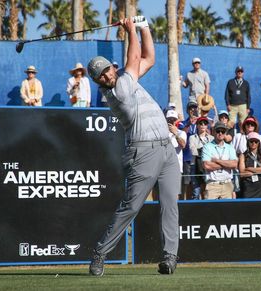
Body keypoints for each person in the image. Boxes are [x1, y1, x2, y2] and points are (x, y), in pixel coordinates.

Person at [86, 17, 179, 276]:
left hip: (166, 149)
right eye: (101, 75)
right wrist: (130, 31)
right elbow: (135, 55)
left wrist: (144, 27)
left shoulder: (128, 79)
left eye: (107, 69)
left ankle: (170, 258)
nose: (106, 74)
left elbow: (149, 58)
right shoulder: (120, 91)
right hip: (143, 151)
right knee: (131, 206)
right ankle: (100, 253)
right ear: (98, 81)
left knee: (170, 204)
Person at [202, 121, 238, 199]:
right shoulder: (207, 147)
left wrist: (217, 161)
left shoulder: (230, 147)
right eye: (218, 131)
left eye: (223, 131)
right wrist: (226, 164)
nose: (220, 133)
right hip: (212, 184)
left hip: (227, 183)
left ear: (225, 133)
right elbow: (207, 165)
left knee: (228, 210)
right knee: (209, 210)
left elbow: (234, 164)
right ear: (214, 132)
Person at [189, 116, 214, 199]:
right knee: (196, 192)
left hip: (208, 166)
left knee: (207, 191)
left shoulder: (211, 138)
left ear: (207, 126)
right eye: (200, 123)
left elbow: (213, 152)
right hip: (195, 165)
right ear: (197, 125)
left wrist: (200, 150)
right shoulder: (192, 137)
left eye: (205, 123)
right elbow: (193, 151)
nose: (203, 125)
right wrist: (206, 151)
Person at [238, 132, 261, 198]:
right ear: (248, 142)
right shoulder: (243, 155)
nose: (253, 143)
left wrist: (249, 169)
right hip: (248, 185)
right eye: (251, 141)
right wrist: (258, 171)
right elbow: (242, 173)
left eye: (256, 141)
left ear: (259, 143)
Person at [181, 97, 200, 199]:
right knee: (187, 183)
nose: (193, 110)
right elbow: (182, 133)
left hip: (198, 158)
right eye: (191, 108)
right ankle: (187, 203)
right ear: (187, 110)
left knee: (199, 183)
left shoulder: (201, 123)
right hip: (187, 157)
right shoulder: (183, 123)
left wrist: (198, 122)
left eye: (195, 108)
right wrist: (189, 123)